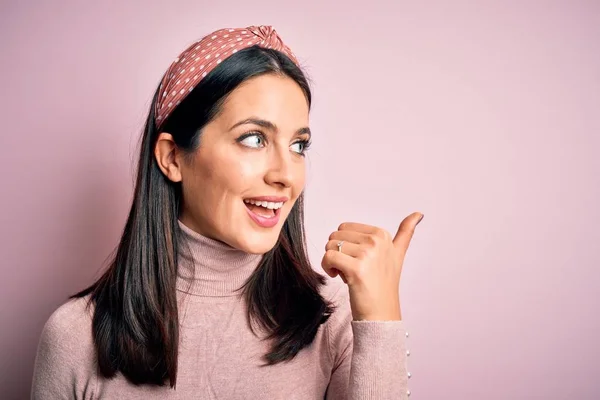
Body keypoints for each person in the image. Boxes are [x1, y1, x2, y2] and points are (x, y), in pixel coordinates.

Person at [31, 25, 423, 399]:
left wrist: (380, 321)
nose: (285, 175)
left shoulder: (333, 321)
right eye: (253, 139)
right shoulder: (75, 337)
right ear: (172, 158)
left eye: (298, 146)